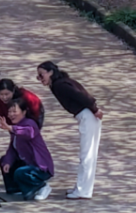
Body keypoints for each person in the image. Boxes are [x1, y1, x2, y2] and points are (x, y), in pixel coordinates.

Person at [36, 60, 102, 200]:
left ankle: (83, 190)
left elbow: (82, 96)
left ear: (50, 72)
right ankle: (82, 187)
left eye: (42, 75)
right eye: (38, 76)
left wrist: (95, 110)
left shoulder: (60, 85)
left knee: (87, 154)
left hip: (87, 115)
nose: (40, 79)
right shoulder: (59, 83)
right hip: (85, 115)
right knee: (87, 153)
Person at [0, 96, 54, 201]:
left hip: (39, 166)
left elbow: (28, 132)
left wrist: (10, 128)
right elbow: (12, 148)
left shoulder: (30, 123)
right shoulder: (15, 127)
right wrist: (7, 162)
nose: (11, 114)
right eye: (9, 112)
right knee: (4, 160)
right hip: (27, 163)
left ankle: (42, 186)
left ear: (24, 112)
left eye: (14, 111)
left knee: (20, 172)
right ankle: (16, 189)